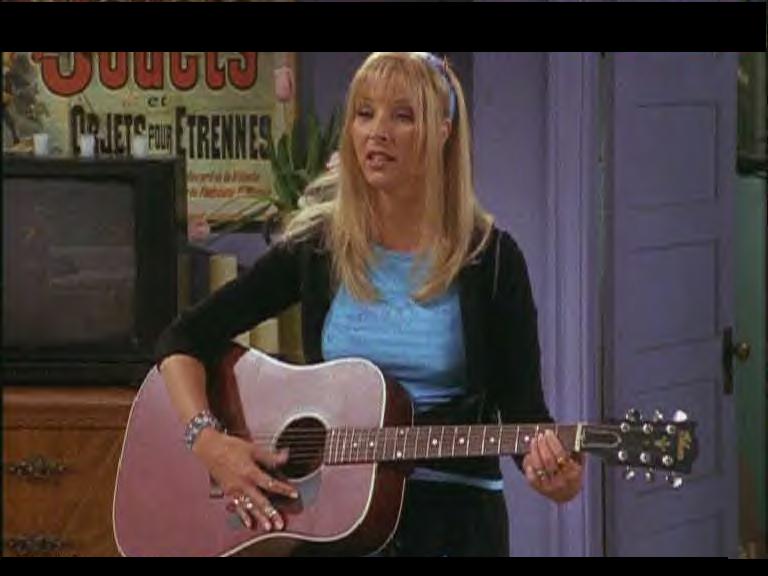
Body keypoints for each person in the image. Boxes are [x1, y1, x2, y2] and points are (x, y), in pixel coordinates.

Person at [155, 52, 584, 557]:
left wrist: (556, 474)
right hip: (332, 521)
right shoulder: (319, 247)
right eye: (364, 113)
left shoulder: (491, 261)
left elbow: (525, 415)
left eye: (402, 116)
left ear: (443, 132)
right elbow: (181, 339)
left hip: (456, 525)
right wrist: (209, 442)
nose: (377, 132)